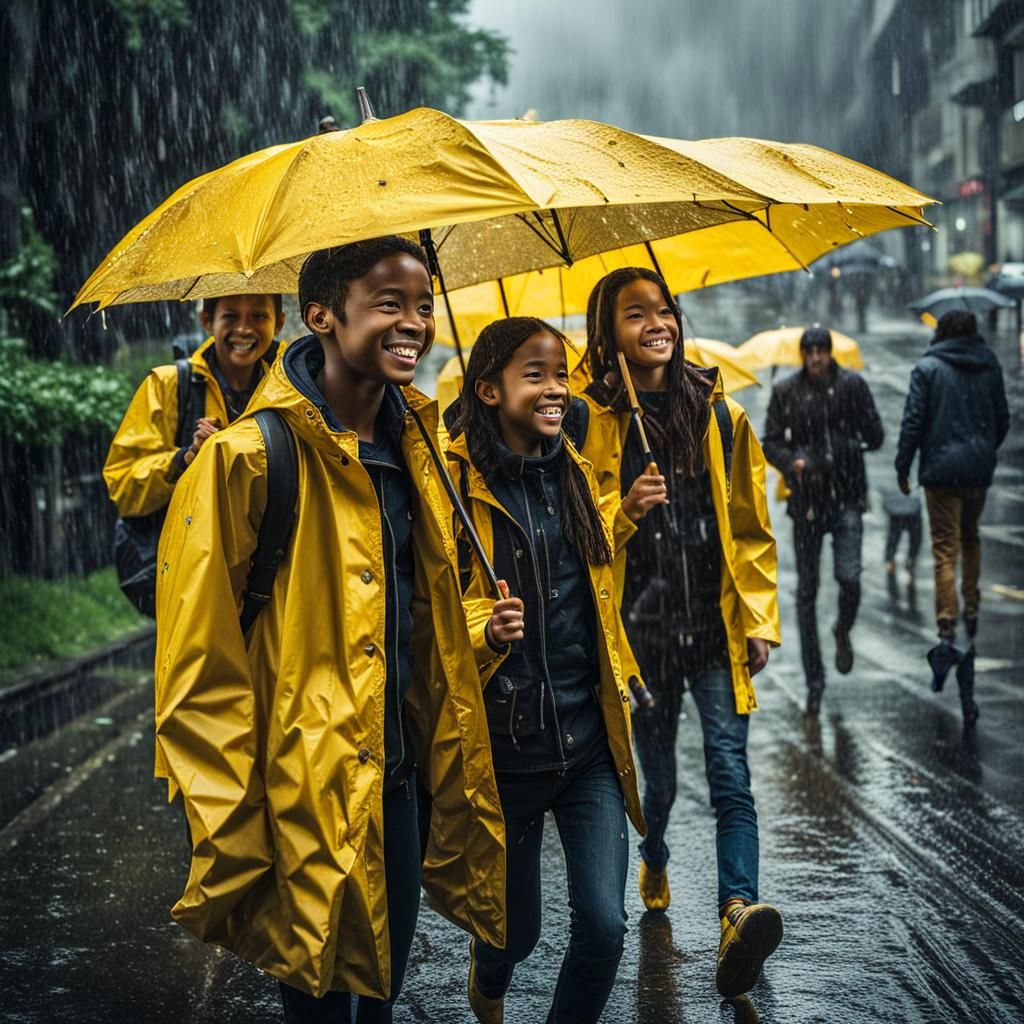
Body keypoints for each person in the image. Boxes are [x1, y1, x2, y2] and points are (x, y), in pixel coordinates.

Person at [153, 237, 506, 1022]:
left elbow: (412, 619)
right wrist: (231, 823)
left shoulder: (425, 455)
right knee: (317, 1005)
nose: (413, 322)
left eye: (421, 305)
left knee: (381, 996)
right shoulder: (245, 461)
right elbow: (195, 666)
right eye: (388, 303)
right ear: (320, 316)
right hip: (300, 790)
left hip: (401, 782)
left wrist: (483, 629)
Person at [446, 316, 662, 1024]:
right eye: (534, 374)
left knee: (604, 927)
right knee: (516, 932)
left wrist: (625, 511)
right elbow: (433, 613)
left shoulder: (572, 469)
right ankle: (491, 969)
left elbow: (594, 576)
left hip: (587, 747)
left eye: (560, 374)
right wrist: (486, 625)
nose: (554, 389)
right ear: (486, 390)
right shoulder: (452, 487)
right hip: (507, 753)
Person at [577, 268, 782, 1000]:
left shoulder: (717, 414)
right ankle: (654, 851)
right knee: (657, 783)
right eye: (636, 315)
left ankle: (736, 912)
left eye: (663, 310)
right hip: (641, 639)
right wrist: (624, 507)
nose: (656, 323)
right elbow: (576, 536)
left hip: (713, 635)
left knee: (732, 775)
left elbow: (753, 529)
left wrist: (757, 618)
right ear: (609, 332)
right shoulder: (588, 420)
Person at [762, 324, 884, 715]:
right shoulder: (786, 391)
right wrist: (791, 460)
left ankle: (842, 630)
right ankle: (815, 682)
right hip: (808, 502)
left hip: (847, 496)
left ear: (830, 353)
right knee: (806, 594)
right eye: (809, 350)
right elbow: (770, 441)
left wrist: (850, 439)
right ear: (802, 354)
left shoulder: (853, 386)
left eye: (821, 350)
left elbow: (876, 435)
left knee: (850, 577)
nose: (815, 357)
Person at [895, 310, 1009, 722]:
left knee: (944, 548)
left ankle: (948, 620)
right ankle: (972, 604)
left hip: (941, 473)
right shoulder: (988, 362)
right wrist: (982, 449)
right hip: (976, 470)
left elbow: (913, 422)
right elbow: (1002, 419)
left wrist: (903, 466)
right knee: (970, 537)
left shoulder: (928, 368)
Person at [103, 293, 286, 518]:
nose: (244, 329)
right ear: (206, 321)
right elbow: (124, 488)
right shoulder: (167, 385)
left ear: (279, 323)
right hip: (189, 549)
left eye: (258, 316)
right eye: (230, 316)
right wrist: (186, 457)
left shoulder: (289, 392)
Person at [881, 489, 923, 596]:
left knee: (894, 535)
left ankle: (891, 559)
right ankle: (910, 560)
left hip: (897, 505)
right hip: (911, 504)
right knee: (914, 536)